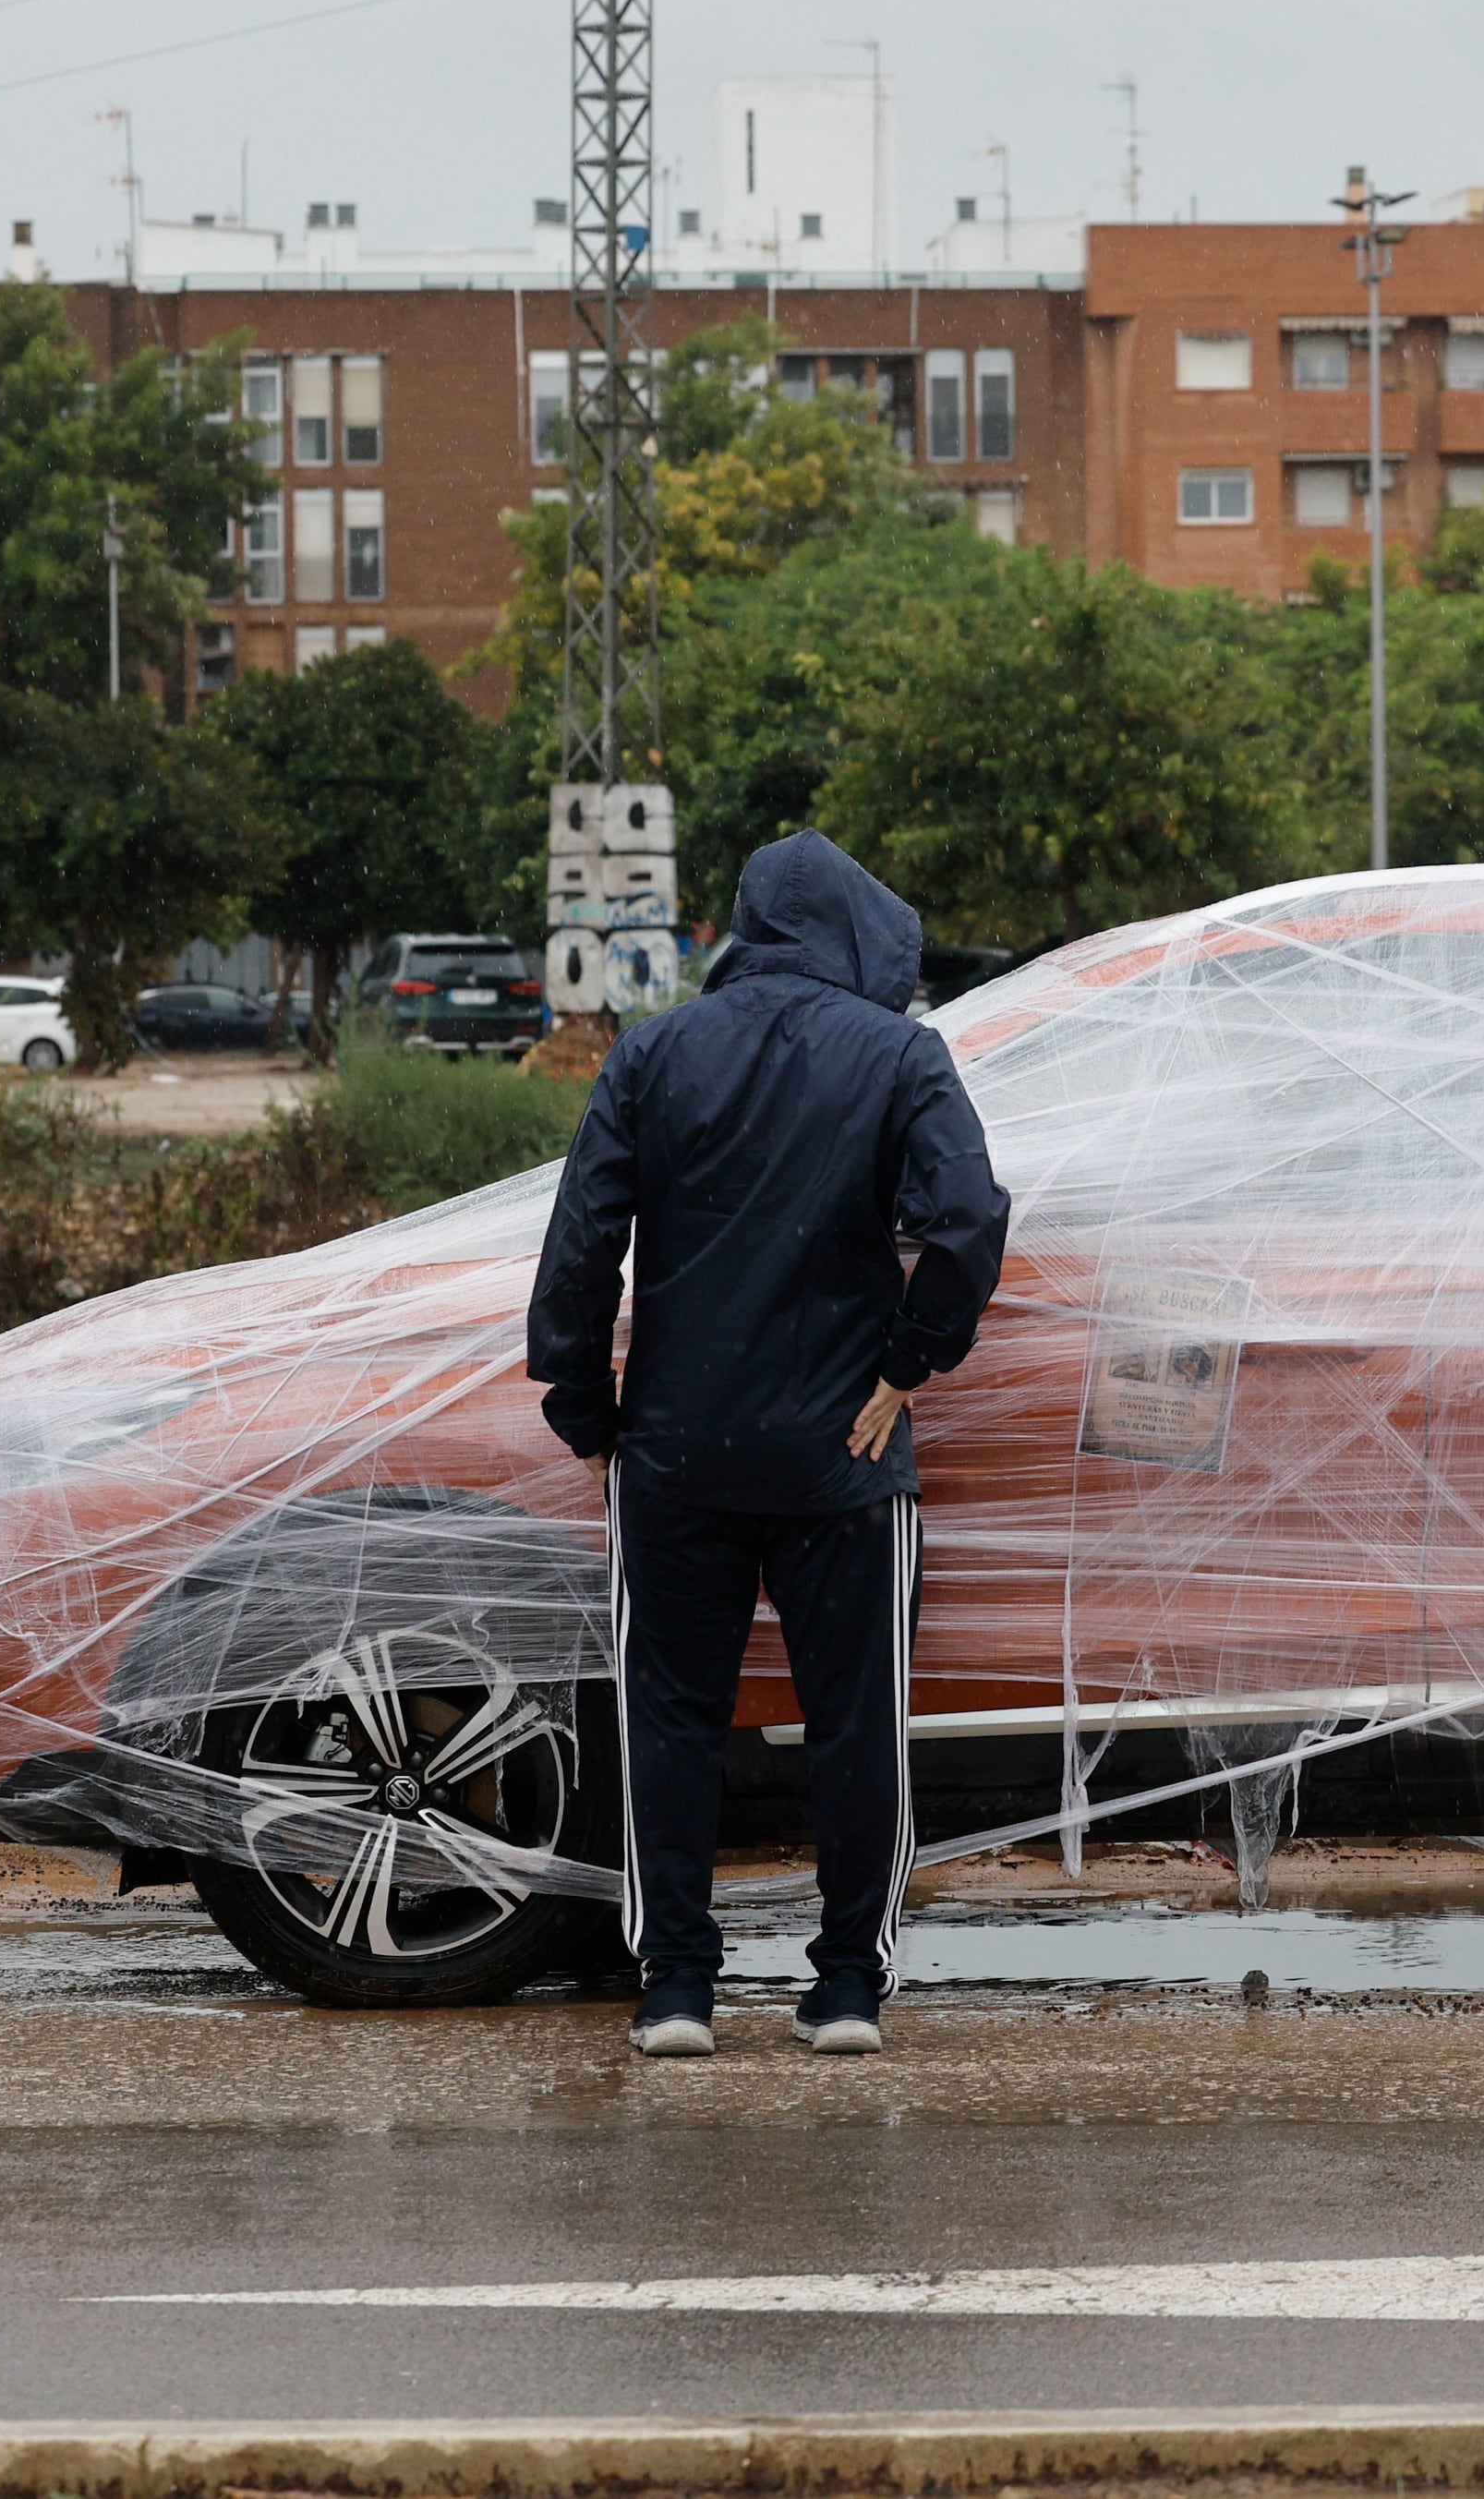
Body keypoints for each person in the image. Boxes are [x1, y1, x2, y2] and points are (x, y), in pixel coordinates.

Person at [526, 830, 1009, 2059]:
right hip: (842, 1453)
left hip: (679, 1448)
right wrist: (908, 1362)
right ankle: (849, 1983)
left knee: (673, 1716)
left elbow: (581, 1246)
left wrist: (587, 1412)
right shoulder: (903, 1053)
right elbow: (968, 1217)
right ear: (857, 930)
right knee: (859, 1720)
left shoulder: (655, 1052)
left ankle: (677, 1987)